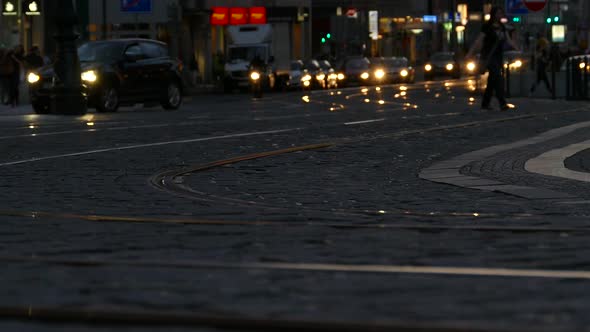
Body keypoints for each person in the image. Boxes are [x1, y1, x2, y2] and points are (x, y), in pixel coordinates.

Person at [466, 6, 519, 111]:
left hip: (498, 56)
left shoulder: (502, 27)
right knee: (498, 77)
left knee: (492, 80)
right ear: (493, 14)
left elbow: (508, 40)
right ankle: (502, 103)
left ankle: (485, 103)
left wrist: (517, 48)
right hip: (488, 56)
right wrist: (470, 53)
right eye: (497, 13)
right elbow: (479, 40)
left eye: (501, 13)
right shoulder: (487, 27)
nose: (499, 15)